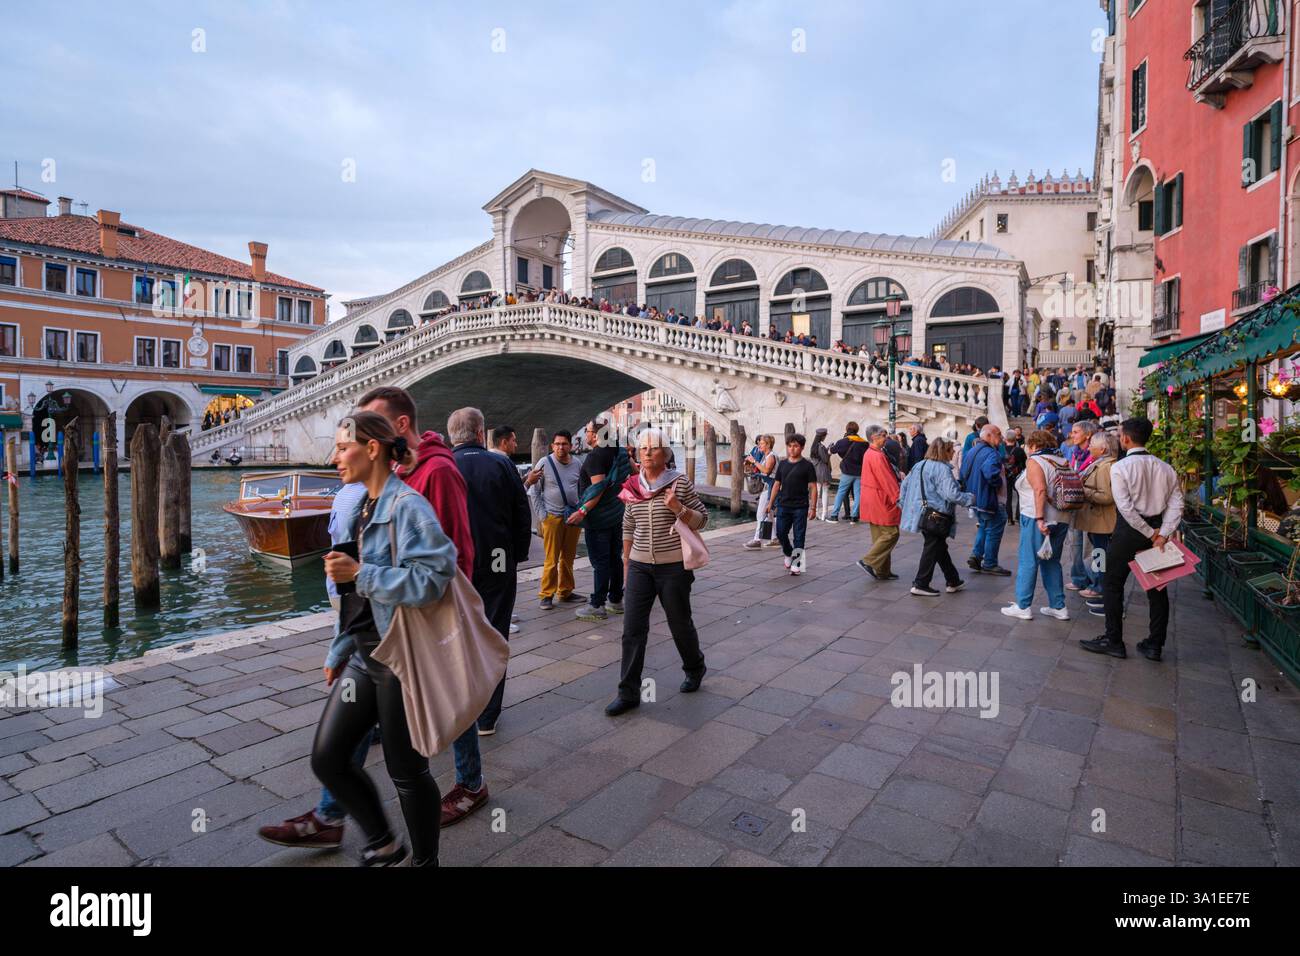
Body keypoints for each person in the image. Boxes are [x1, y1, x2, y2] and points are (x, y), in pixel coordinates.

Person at [311, 411, 459, 867]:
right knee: (328, 757)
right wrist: (338, 648)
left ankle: (425, 863)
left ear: (371, 449)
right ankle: (383, 842)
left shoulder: (408, 506)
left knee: (407, 772)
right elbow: (354, 598)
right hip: (362, 654)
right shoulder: (360, 505)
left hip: (398, 658)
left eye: (342, 447)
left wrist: (362, 572)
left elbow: (435, 578)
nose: (335, 457)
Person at [256, 479, 369, 852]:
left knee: (341, 742)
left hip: (378, 637)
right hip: (367, 635)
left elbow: (368, 581)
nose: (335, 456)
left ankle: (366, 834)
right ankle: (336, 819)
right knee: (363, 736)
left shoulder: (383, 498)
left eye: (343, 447)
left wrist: (339, 646)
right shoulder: (351, 493)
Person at [606, 428, 708, 716]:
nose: (647, 452)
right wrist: (626, 562)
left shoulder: (679, 484)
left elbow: (703, 520)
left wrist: (679, 509)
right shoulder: (632, 486)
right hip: (639, 565)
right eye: (643, 448)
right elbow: (628, 524)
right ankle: (628, 692)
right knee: (632, 630)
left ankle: (694, 667)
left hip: (673, 566)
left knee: (679, 623)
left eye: (653, 448)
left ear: (665, 453)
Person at [1080, 418, 1184, 661]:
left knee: (1112, 584)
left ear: (1126, 438)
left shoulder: (1121, 467)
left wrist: (1151, 532)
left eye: (1119, 434)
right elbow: (1177, 503)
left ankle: (1113, 639)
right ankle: (1154, 644)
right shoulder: (1165, 467)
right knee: (1158, 589)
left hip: (1130, 531)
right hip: (1156, 530)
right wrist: (1163, 533)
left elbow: (1125, 507)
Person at [1001, 429, 1072, 622]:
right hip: (1062, 517)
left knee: (1028, 560)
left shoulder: (1036, 461)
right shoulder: (1062, 461)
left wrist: (1040, 519)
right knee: (1051, 561)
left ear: (1033, 445)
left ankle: (1023, 606)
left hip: (1037, 517)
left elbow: (1040, 489)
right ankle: (1059, 606)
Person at [568, 419, 630, 621]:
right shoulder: (618, 450)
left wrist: (582, 511)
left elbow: (598, 489)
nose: (585, 434)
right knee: (614, 558)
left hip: (599, 518)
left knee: (600, 561)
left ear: (595, 435)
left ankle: (597, 605)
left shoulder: (596, 456)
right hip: (617, 513)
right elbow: (634, 472)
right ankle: (616, 600)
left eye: (587, 431)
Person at [899, 437, 973, 596]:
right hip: (937, 514)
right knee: (932, 547)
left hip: (921, 513)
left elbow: (904, 486)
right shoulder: (942, 469)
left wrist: (905, 505)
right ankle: (921, 583)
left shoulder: (919, 465)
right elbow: (951, 494)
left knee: (938, 547)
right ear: (944, 451)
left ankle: (953, 580)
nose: (953, 453)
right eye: (951, 450)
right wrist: (969, 499)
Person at [525, 430, 584, 609]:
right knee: (551, 559)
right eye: (557, 444)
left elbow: (582, 488)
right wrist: (542, 516)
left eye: (564, 444)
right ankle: (546, 594)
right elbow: (534, 491)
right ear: (552, 446)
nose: (560, 447)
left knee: (568, 557)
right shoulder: (545, 463)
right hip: (552, 517)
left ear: (570, 446)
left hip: (573, 517)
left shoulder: (577, 464)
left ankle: (565, 591)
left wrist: (581, 510)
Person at [1074, 430, 1117, 611]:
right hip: (1096, 520)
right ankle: (1099, 585)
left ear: (1103, 448)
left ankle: (1101, 588)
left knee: (1101, 554)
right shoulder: (1100, 463)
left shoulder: (1107, 466)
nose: (1089, 446)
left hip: (1102, 521)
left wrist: (1085, 492)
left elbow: (1107, 496)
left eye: (1092, 444)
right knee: (1099, 553)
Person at [960, 423, 1012, 576]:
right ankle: (990, 562)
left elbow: (963, 473)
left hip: (976, 498)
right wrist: (998, 483)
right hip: (990, 499)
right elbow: (990, 473)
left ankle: (976, 556)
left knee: (984, 526)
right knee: (995, 528)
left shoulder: (972, 450)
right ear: (988, 435)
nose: (1001, 438)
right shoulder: (991, 453)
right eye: (998, 434)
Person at [855, 425, 901, 580]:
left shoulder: (871, 453)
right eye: (883, 435)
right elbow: (886, 480)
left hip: (871, 498)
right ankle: (868, 561)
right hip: (881, 499)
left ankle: (882, 571)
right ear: (874, 437)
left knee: (879, 534)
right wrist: (898, 496)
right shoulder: (877, 456)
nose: (885, 438)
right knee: (891, 533)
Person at [770, 433, 818, 574]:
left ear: (802, 448)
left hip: (800, 506)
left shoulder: (807, 466)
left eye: (795, 446)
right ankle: (788, 552)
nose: (792, 449)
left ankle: (797, 564)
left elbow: (813, 487)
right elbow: (776, 484)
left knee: (799, 536)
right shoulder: (783, 464)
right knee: (780, 533)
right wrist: (770, 503)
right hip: (783, 505)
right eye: (790, 446)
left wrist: (813, 507)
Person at [1063, 421, 1099, 592]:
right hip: (1075, 506)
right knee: (1074, 545)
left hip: (1091, 510)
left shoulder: (1096, 455)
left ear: (1088, 435)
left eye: (1076, 432)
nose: (1072, 435)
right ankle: (1079, 578)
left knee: (1091, 548)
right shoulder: (1075, 453)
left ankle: (1096, 583)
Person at [743, 435, 780, 549]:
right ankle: (774, 538)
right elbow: (760, 470)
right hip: (767, 487)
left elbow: (767, 471)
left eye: (762, 444)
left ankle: (757, 539)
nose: (759, 445)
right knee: (769, 514)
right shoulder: (765, 456)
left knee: (761, 514)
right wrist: (749, 464)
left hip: (770, 487)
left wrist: (754, 461)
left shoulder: (771, 456)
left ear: (768, 445)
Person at [828, 422, 869, 522]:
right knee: (858, 493)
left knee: (841, 492)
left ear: (847, 429)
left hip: (847, 472)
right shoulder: (864, 443)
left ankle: (834, 515)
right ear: (857, 430)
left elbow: (831, 451)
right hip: (859, 472)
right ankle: (855, 516)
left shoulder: (842, 442)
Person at [809, 427, 833, 521]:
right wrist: (829, 451)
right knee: (825, 492)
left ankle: (817, 513)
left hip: (816, 471)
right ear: (822, 436)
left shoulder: (813, 446)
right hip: (823, 471)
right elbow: (825, 459)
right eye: (825, 435)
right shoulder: (821, 446)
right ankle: (824, 514)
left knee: (817, 492)